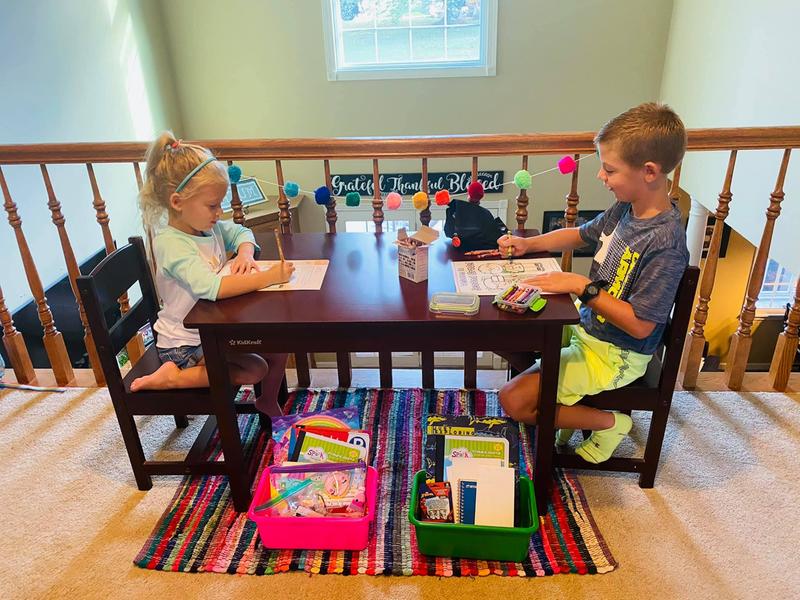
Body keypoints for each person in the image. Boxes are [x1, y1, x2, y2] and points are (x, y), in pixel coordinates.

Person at [497, 102, 690, 463]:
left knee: (513, 399)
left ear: (649, 171)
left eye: (610, 169)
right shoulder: (626, 208)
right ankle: (561, 401)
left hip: (615, 354)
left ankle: (609, 423)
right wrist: (528, 244)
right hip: (587, 330)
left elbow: (640, 325)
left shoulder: (666, 243)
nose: (601, 176)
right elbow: (581, 234)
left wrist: (580, 286)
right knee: (503, 332)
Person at [131, 132, 294, 392]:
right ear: (177, 202)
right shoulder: (172, 245)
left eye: (220, 204)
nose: (220, 213)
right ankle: (173, 378)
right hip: (184, 344)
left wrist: (245, 254)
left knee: (277, 346)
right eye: (212, 206)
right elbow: (212, 288)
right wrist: (270, 276)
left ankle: (267, 402)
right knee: (255, 369)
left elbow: (242, 233)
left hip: (212, 329)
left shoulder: (207, 228)